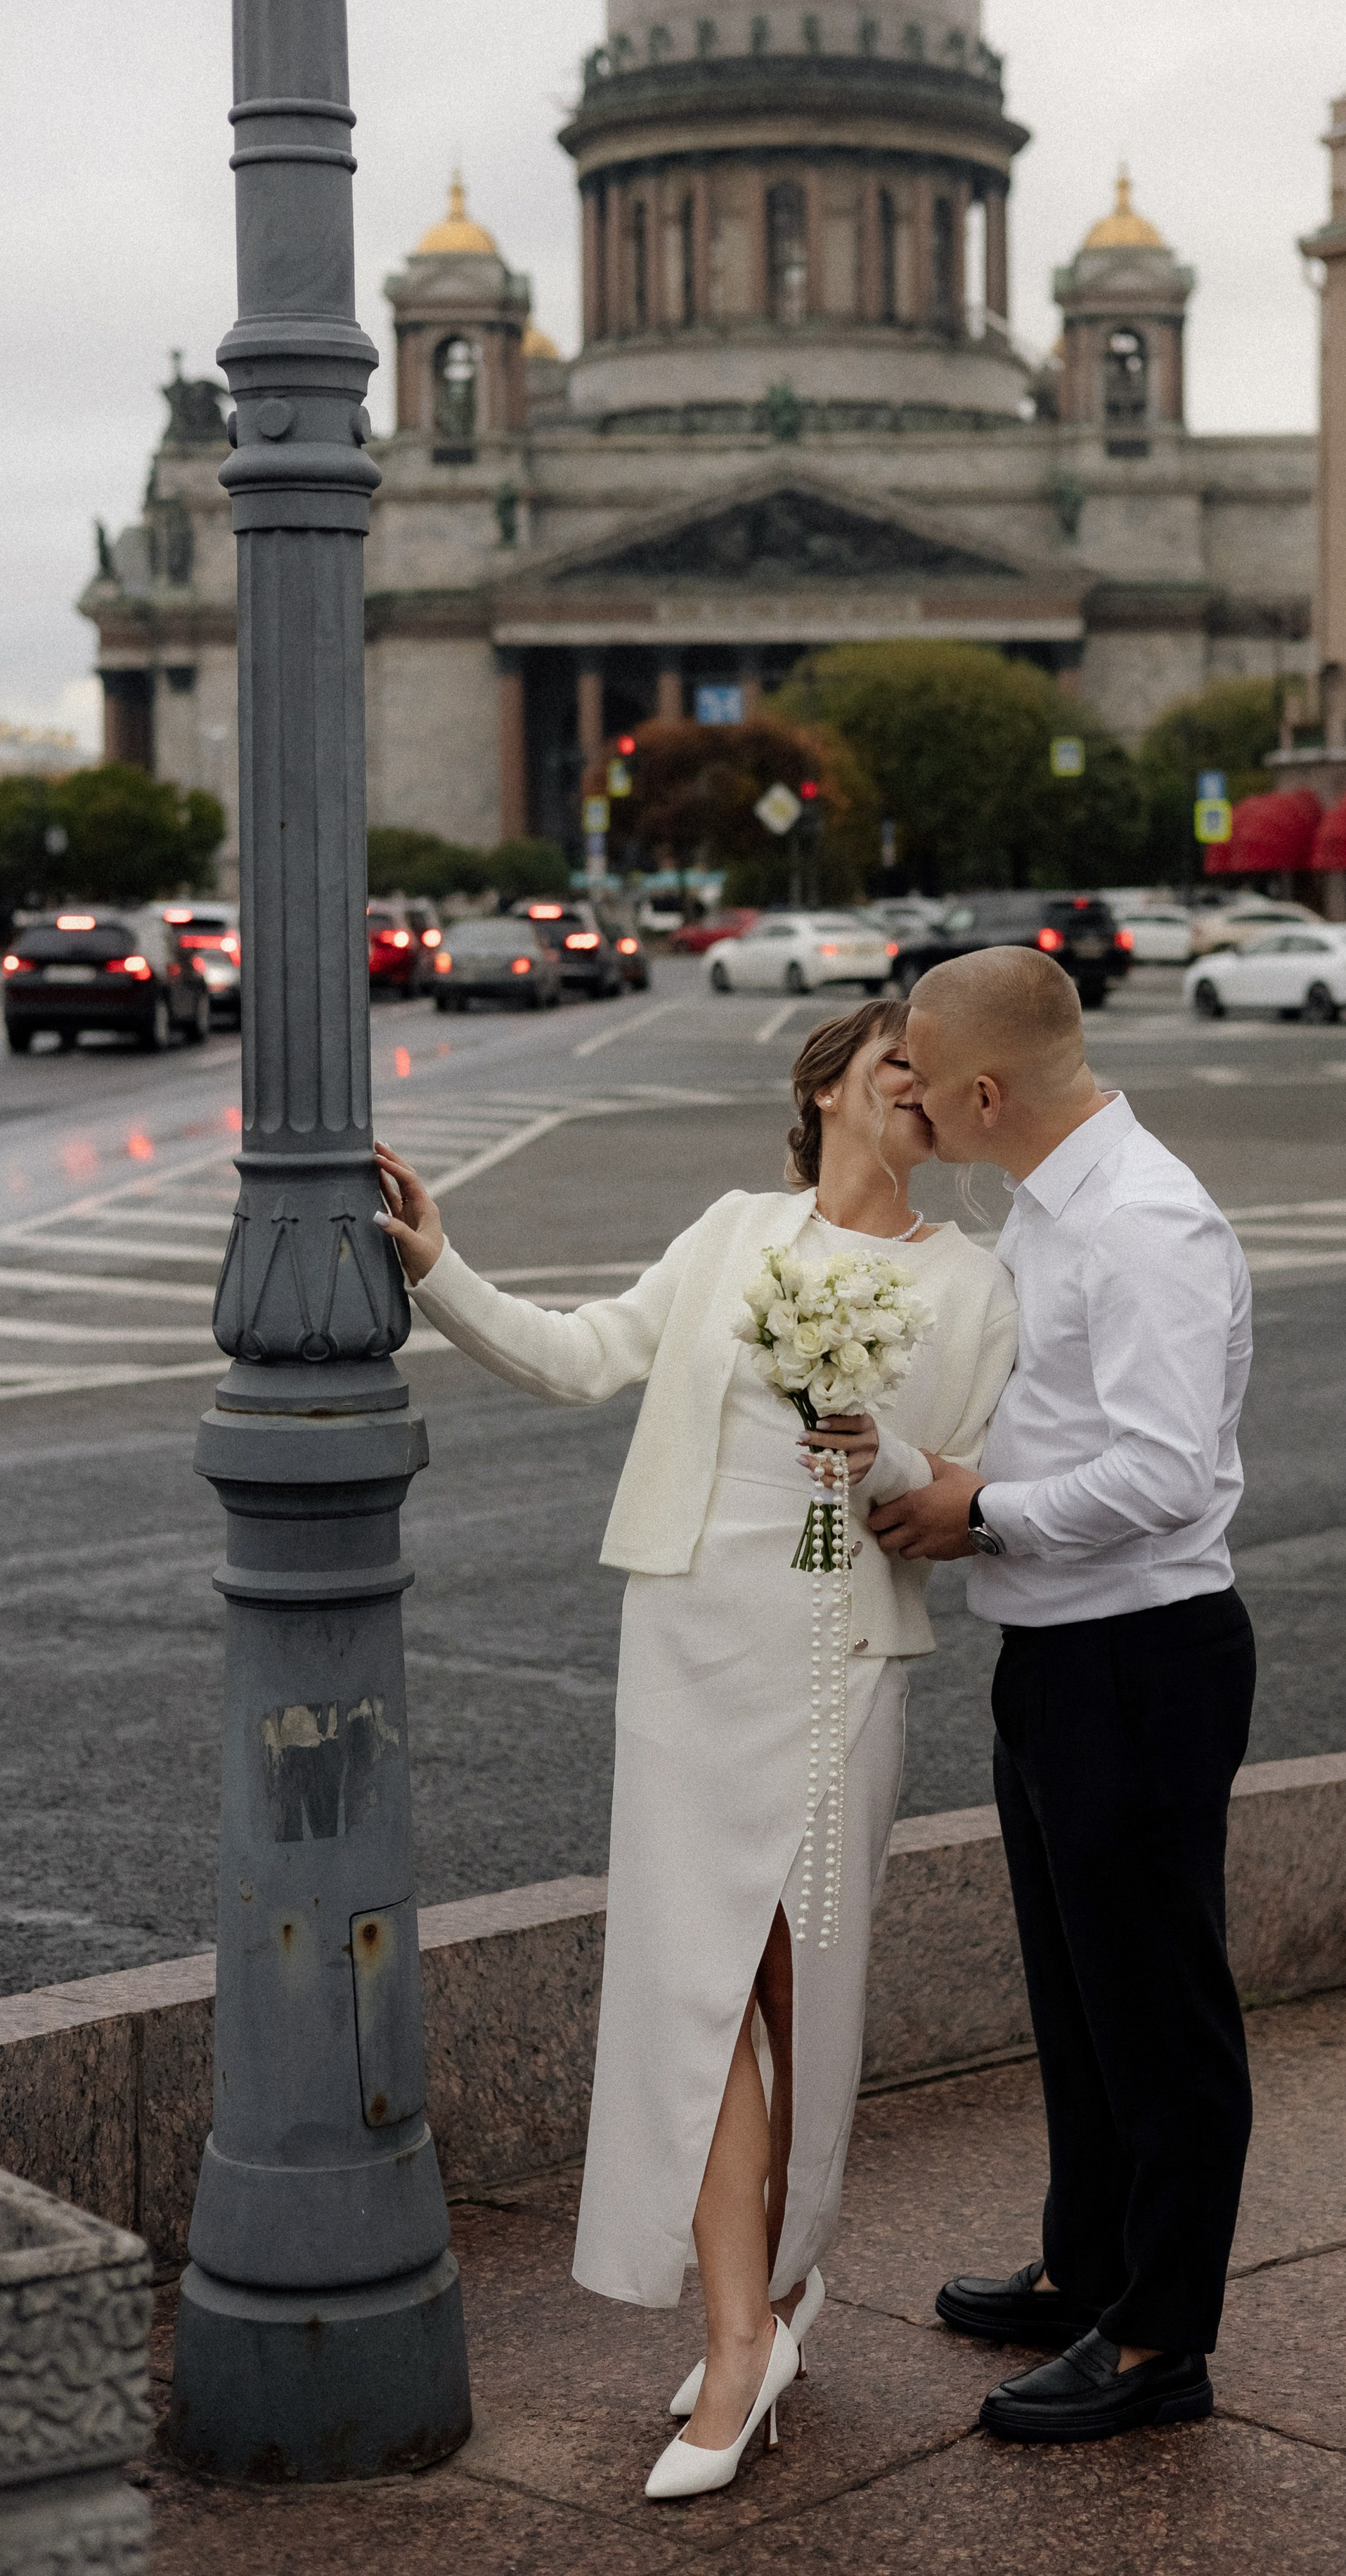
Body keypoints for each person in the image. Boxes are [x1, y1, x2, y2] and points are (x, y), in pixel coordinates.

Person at [373, 1000, 1017, 2501]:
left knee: (803, 1991)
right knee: (702, 1994)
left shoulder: (972, 1283)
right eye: (892, 1063)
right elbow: (582, 1356)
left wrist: (891, 1457)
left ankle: (783, 2300)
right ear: (828, 1091)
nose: (917, 1086)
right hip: (685, 1646)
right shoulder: (734, 1232)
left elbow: (990, 1481)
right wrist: (435, 1267)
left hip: (832, 1648)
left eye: (932, 1070)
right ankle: (736, 2345)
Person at [869, 946, 1255, 2446]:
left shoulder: (1147, 1222)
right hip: (1059, 1656)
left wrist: (981, 1513)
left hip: (1140, 1660)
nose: (904, 1087)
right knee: (1082, 2003)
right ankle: (1084, 2267)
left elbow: (1162, 1475)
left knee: (1158, 2021)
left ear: (984, 1088)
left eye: (916, 1066)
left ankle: (1160, 2339)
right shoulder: (1048, 1206)